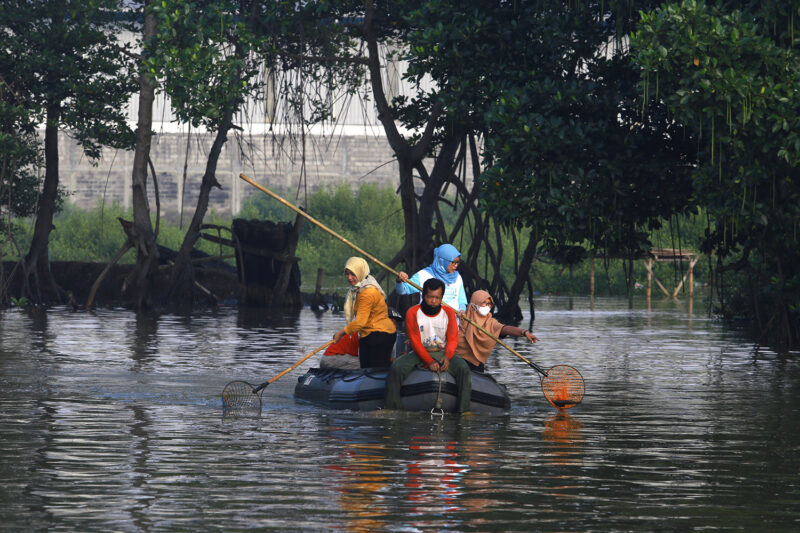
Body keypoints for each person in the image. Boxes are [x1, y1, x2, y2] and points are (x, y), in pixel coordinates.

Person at [384, 278, 472, 413]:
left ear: (441, 297)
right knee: (396, 368)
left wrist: (448, 357)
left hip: (442, 351)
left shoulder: (448, 313)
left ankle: (463, 410)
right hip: (419, 352)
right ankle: (393, 408)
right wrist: (429, 361)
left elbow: (453, 339)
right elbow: (415, 341)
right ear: (424, 295)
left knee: (464, 369)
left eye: (437, 298)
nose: (433, 301)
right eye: (430, 297)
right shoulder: (413, 312)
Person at [332, 257, 397, 369]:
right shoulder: (358, 289)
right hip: (367, 334)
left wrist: (341, 333)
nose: (349, 277)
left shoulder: (368, 292)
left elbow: (360, 322)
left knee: (375, 372)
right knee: (365, 370)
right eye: (347, 274)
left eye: (353, 274)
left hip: (381, 334)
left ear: (360, 272)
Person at [456, 290, 539, 372]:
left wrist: (523, 332)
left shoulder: (490, 323)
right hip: (457, 362)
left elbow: (504, 329)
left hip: (476, 366)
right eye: (484, 303)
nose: (487, 306)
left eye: (489, 304)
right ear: (475, 304)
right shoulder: (460, 319)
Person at [395, 243, 467, 312]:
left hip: (453, 322)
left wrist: (462, 311)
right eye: (453, 262)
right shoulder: (424, 275)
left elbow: (462, 301)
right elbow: (402, 291)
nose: (456, 265)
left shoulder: (457, 277)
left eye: (457, 262)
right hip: (429, 321)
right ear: (442, 260)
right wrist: (399, 280)